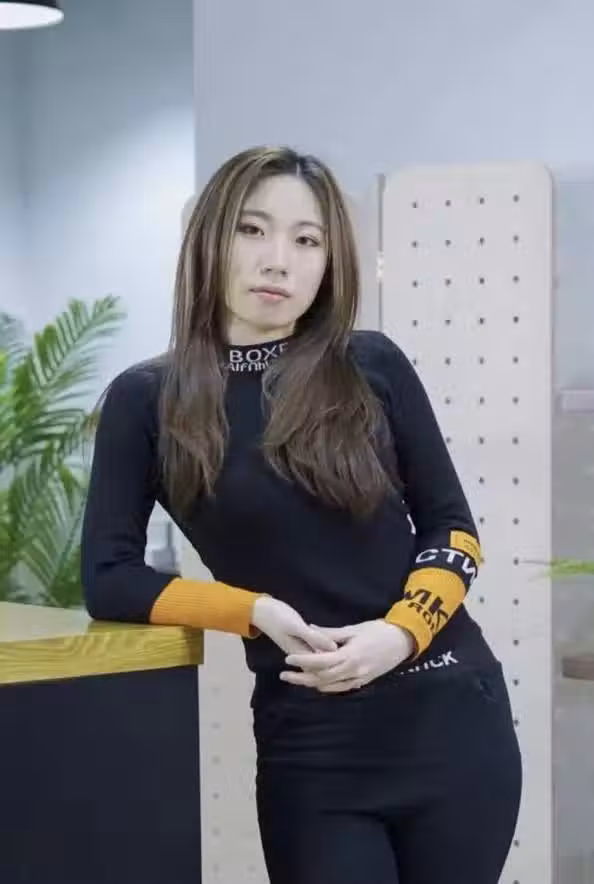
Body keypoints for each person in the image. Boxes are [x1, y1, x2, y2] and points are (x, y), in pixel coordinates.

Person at [81, 145, 522, 884]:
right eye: (252, 230)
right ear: (211, 240)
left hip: (451, 711)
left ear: (329, 262)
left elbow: (453, 531)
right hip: (313, 744)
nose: (277, 260)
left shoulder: (371, 365)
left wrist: (400, 633)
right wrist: (251, 611)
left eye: (306, 239)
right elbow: (109, 577)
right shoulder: (147, 401)